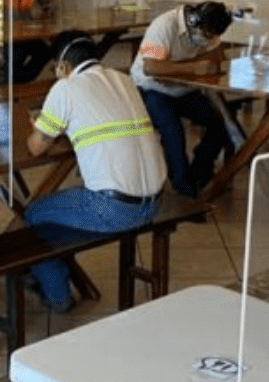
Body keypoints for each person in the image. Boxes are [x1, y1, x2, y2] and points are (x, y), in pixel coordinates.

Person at [23, 30, 167, 313]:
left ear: (63, 66)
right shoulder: (124, 79)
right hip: (155, 201)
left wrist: (34, 125)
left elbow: (36, 147)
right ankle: (49, 271)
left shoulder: (66, 88)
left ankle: (57, 295)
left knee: (35, 215)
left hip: (114, 208)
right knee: (58, 211)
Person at [130, 0, 234, 198]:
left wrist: (202, 64)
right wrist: (193, 67)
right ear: (193, 21)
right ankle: (184, 187)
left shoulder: (212, 29)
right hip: (150, 88)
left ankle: (201, 169)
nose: (208, 39)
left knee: (220, 123)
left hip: (183, 90)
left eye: (214, 35)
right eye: (206, 34)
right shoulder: (162, 27)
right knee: (173, 132)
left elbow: (215, 56)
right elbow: (151, 67)